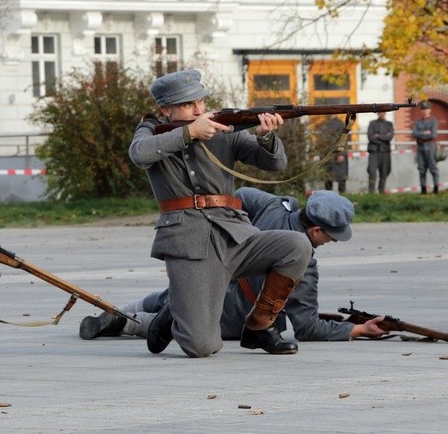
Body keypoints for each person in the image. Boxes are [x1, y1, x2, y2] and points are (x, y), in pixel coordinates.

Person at [127, 69, 312, 357]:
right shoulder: (151, 130)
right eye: (189, 105)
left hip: (235, 237)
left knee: (297, 245)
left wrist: (266, 137)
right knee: (202, 347)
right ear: (166, 109)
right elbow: (139, 154)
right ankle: (172, 310)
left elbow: (274, 165)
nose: (199, 110)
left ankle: (260, 325)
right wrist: (188, 133)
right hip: (189, 244)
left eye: (200, 101)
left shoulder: (222, 129)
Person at [79, 187, 388, 343]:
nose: (331, 242)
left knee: (172, 297)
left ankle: (114, 310)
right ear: (317, 230)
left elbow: (238, 195)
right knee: (187, 323)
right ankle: (125, 323)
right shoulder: (302, 262)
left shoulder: (274, 206)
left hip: (214, 272)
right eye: (332, 237)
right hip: (235, 315)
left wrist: (234, 235)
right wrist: (358, 328)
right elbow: (306, 327)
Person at [412, 101, 439, 194]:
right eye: (423, 109)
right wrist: (424, 133)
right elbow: (414, 133)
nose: (425, 111)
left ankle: (436, 188)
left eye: (426, 109)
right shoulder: (418, 122)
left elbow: (433, 134)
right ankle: (423, 189)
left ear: (430, 110)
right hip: (420, 147)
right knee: (421, 168)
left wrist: (421, 134)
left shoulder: (433, 121)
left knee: (433, 168)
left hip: (430, 146)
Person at [366, 111, 394, 194]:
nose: (381, 114)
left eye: (383, 112)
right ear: (377, 113)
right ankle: (371, 192)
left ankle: (381, 191)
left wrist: (378, 136)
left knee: (384, 172)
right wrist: (384, 136)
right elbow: (370, 137)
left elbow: (390, 137)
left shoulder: (389, 124)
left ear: (385, 113)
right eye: (380, 112)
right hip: (374, 152)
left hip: (385, 151)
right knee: (372, 172)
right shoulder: (372, 123)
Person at [322, 115, 349, 193]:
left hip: (338, 153)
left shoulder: (340, 124)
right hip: (327, 154)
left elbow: (344, 139)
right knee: (328, 179)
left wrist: (342, 154)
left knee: (341, 179)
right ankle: (329, 200)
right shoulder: (325, 124)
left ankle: (343, 199)